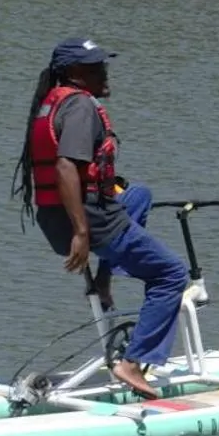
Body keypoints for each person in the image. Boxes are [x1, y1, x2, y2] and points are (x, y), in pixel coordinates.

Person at [12, 39, 189, 398]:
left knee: (138, 194)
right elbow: (65, 167)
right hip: (89, 222)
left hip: (57, 219)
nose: (105, 73)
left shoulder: (52, 103)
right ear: (76, 74)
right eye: (96, 68)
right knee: (171, 274)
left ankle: (105, 280)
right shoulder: (79, 107)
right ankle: (133, 362)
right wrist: (81, 232)